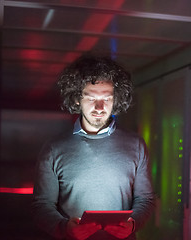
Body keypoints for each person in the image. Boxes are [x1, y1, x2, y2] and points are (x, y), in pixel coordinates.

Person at [32, 55, 155, 240]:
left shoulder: (136, 145)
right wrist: (65, 227)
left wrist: (133, 224)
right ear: (76, 100)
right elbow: (41, 205)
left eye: (107, 98)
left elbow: (145, 200)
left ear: (116, 99)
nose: (99, 107)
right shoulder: (53, 149)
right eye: (91, 99)